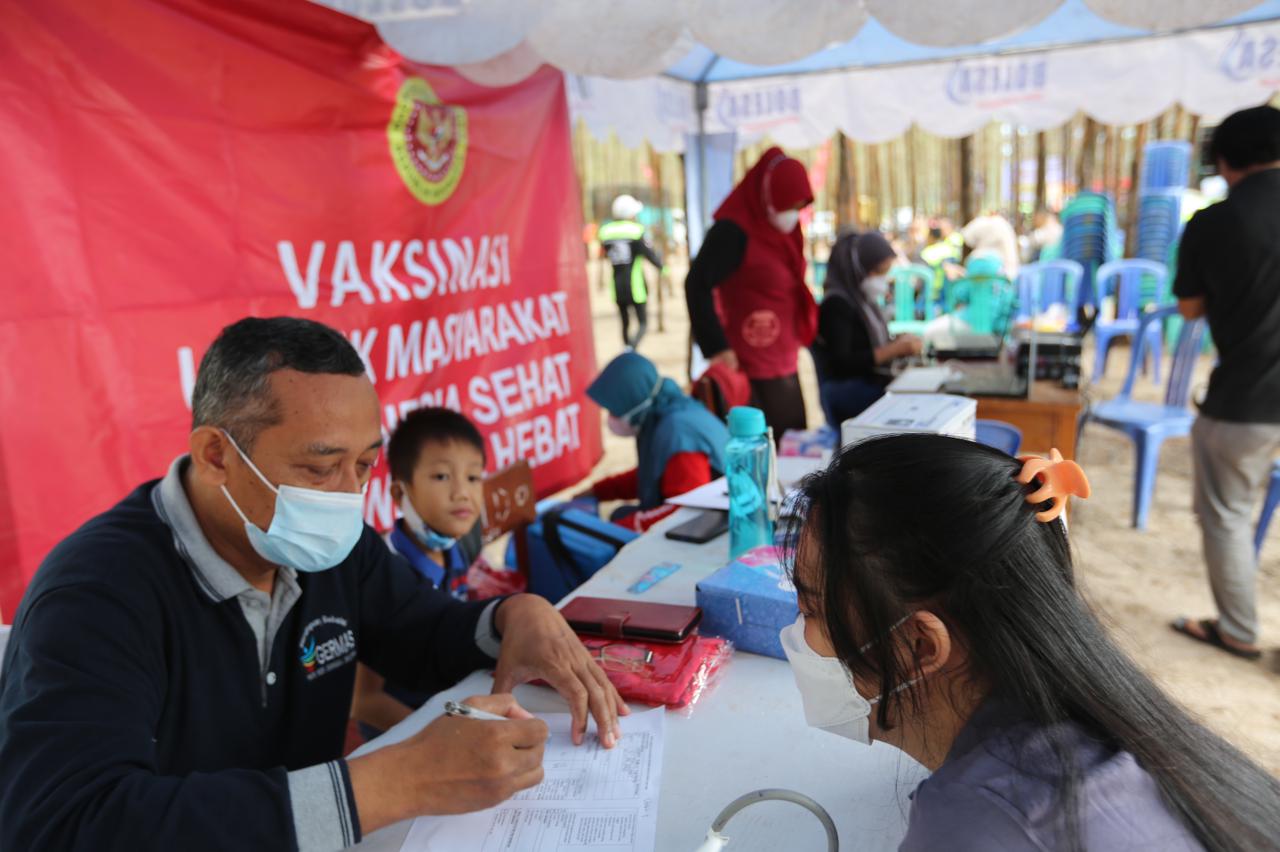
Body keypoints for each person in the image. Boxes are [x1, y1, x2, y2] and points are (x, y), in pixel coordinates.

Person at [0, 317, 627, 851]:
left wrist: (511, 619)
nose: (348, 497)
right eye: (321, 468)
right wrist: (391, 783)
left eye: (363, 465)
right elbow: (63, 823)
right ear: (217, 454)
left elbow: (422, 631)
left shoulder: (333, 549)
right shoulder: (96, 596)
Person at [781, 434, 1280, 851]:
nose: (795, 633)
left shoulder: (978, 826)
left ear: (921, 646)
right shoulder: (1107, 723)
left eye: (810, 609)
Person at [1170, 105, 1280, 662]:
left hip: (1246, 399)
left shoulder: (1212, 223)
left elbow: (1189, 309)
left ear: (1224, 161)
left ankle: (1237, 629)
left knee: (1230, 515)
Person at [351, 407, 488, 739]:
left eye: (473, 477)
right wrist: (438, 735)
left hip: (445, 705)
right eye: (441, 477)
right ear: (400, 493)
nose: (462, 493)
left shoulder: (458, 548)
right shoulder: (382, 573)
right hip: (401, 732)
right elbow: (364, 701)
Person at [686, 147, 817, 436]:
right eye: (788, 206)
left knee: (793, 438)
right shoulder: (733, 231)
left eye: (799, 207)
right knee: (764, 444)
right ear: (769, 196)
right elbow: (697, 284)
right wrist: (717, 347)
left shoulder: (781, 230)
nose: (792, 214)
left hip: (783, 356)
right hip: (750, 363)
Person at [583, 351, 729, 531]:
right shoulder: (667, 412)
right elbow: (652, 474)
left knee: (618, 522)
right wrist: (597, 491)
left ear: (633, 402)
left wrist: (624, 527)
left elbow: (686, 510)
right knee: (619, 514)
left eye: (615, 409)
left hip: (710, 526)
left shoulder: (678, 433)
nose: (611, 418)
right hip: (701, 516)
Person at [811, 230, 922, 427]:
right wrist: (894, 349)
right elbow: (842, 363)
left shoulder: (863, 301)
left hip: (865, 383)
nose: (884, 278)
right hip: (845, 391)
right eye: (880, 271)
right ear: (859, 269)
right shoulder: (837, 304)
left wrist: (896, 343)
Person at [600, 194, 663, 349]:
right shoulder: (636, 230)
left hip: (616, 285)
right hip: (636, 286)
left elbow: (605, 254)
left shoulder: (605, 232)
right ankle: (631, 349)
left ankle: (627, 348)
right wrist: (663, 268)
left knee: (624, 322)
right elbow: (649, 254)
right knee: (643, 323)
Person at [961, 212, 1020, 277]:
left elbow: (966, 236)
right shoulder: (1004, 226)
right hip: (1002, 268)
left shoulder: (981, 222)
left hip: (991, 265)